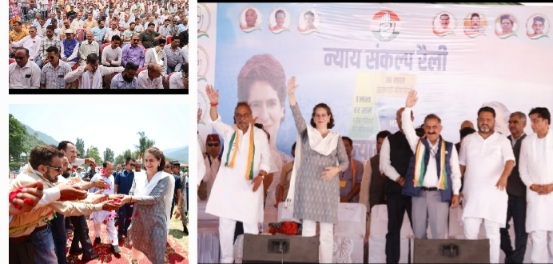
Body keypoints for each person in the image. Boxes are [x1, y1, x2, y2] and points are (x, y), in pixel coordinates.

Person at [204, 84, 272, 263]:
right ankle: (226, 260)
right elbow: (215, 121)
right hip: (228, 187)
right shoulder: (229, 131)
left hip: (250, 187)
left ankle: (252, 260)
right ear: (235, 117)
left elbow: (266, 159)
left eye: (245, 115)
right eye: (238, 115)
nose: (242, 118)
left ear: (251, 116)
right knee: (226, 227)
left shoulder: (260, 135)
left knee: (251, 227)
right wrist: (213, 104)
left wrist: (261, 175)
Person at [286, 76, 349, 263]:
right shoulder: (307, 134)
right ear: (313, 118)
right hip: (308, 186)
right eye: (317, 115)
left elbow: (345, 162)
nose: (321, 118)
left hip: (327, 188)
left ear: (329, 117)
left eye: (324, 115)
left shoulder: (336, 138)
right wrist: (291, 95)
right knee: (308, 230)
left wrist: (335, 170)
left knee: (327, 232)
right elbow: (297, 116)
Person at [401, 90, 462, 240]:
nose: (431, 130)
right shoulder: (418, 144)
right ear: (424, 129)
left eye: (435, 127)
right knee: (419, 233)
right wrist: (407, 108)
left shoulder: (449, 147)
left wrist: (456, 193)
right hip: (419, 194)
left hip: (439, 195)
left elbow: (455, 173)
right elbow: (408, 129)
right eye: (428, 127)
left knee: (439, 234)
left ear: (440, 128)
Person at [237, 54, 294, 211]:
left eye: (271, 103)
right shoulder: (237, 151)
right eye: (255, 104)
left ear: (282, 110)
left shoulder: (287, 163)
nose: (264, 114)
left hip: (269, 211)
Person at [459, 106, 515, 264]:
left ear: (493, 121)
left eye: (488, 119)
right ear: (477, 120)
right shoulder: (468, 140)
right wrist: (456, 188)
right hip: (472, 195)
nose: (485, 122)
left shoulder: (502, 140)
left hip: (494, 195)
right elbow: (461, 165)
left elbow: (510, 161)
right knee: (470, 235)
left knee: (493, 235)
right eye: (482, 119)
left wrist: (504, 176)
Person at [118, 147, 175, 264]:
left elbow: (155, 198)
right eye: (146, 160)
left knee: (157, 252)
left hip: (156, 221)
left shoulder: (165, 178)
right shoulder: (138, 176)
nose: (148, 163)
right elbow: (132, 191)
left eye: (151, 160)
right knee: (136, 246)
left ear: (159, 161)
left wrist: (131, 198)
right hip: (139, 218)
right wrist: (123, 198)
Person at [518, 107, 553, 263]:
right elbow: (522, 169)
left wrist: (552, 186)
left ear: (546, 121)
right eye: (531, 121)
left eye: (535, 121)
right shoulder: (527, 141)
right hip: (536, 195)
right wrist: (532, 186)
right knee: (538, 237)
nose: (532, 124)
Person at [380, 107, 414, 264]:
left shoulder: (421, 137)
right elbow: (384, 165)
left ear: (411, 119)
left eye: (405, 117)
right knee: (393, 231)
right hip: (395, 192)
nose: (402, 120)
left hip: (416, 193)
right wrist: (399, 179)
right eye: (399, 117)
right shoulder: (389, 139)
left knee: (419, 231)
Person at [500, 111, 529, 263]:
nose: (511, 125)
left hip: (522, 195)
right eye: (510, 122)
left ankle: (516, 261)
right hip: (503, 193)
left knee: (521, 232)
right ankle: (510, 254)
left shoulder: (530, 142)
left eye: (515, 122)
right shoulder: (503, 141)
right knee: (499, 226)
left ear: (524, 124)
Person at [89, 161, 121, 254]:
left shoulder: (112, 177)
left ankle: (114, 244)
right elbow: (91, 191)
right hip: (99, 206)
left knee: (111, 224)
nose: (111, 171)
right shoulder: (96, 177)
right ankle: (98, 236)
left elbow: (112, 191)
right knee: (97, 223)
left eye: (112, 169)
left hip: (110, 205)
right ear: (103, 168)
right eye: (109, 169)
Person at [114, 158, 135, 244]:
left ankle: (126, 231)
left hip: (131, 200)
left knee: (129, 217)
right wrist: (115, 196)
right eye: (131, 164)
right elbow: (116, 186)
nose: (132, 166)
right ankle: (120, 233)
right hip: (121, 199)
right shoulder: (119, 174)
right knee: (122, 217)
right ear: (126, 165)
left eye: (133, 165)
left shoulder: (135, 175)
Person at [340, 136, 363, 203]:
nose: (344, 148)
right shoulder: (332, 165)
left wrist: (347, 198)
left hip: (351, 202)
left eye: (346, 146)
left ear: (351, 148)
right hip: (334, 202)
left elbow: (359, 184)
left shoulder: (358, 165)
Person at [275, 142, 296, 207]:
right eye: (297, 149)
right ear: (293, 151)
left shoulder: (309, 170)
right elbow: (281, 186)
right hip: (287, 203)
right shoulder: (286, 167)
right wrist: (279, 202)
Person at [202, 134, 221, 201]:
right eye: (210, 144)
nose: (213, 147)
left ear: (220, 146)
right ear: (206, 146)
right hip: (204, 201)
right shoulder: (202, 161)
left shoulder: (224, 161)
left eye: (216, 144)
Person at [171, 161, 187, 235]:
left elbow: (183, 187)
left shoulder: (182, 175)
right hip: (172, 195)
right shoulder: (171, 175)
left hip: (180, 195)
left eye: (174, 167)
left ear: (178, 168)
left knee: (182, 211)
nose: (173, 169)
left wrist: (181, 196)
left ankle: (185, 226)